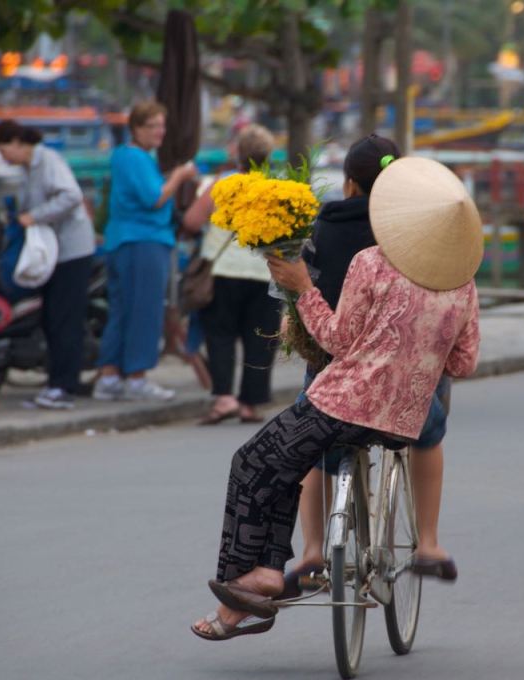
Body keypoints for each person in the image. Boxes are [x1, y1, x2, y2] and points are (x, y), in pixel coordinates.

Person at [191, 156, 482, 641]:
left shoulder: (372, 263)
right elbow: (463, 364)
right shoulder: (462, 283)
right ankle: (262, 574)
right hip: (403, 419)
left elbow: (335, 340)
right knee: (282, 465)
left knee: (251, 462)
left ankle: (249, 583)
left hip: (343, 404)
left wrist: (303, 287)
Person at [283, 135, 458, 600]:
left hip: (334, 364)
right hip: (402, 372)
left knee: (315, 445)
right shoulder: (420, 226)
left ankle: (313, 550)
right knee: (429, 430)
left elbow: (312, 301)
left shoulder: (325, 226)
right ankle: (429, 543)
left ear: (349, 186)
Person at [94, 100, 198, 402]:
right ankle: (137, 377)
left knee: (122, 310)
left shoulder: (126, 157)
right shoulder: (135, 157)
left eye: (161, 125)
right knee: (145, 310)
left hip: (123, 240)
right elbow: (154, 198)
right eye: (153, 125)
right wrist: (179, 176)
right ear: (136, 128)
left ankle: (110, 376)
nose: (160, 132)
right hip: (143, 241)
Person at [0, 119, 97, 410]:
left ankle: (64, 386)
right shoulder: (28, 169)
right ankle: (55, 383)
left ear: (16, 142)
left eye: (3, 150)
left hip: (71, 251)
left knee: (65, 319)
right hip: (53, 253)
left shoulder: (47, 160)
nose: (3, 158)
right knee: (50, 318)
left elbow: (72, 195)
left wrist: (35, 215)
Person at [182, 124, 282, 424]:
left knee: (220, 334)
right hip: (264, 273)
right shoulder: (277, 189)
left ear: (238, 153)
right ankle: (250, 403)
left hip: (223, 270)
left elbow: (191, 220)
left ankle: (224, 398)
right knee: (260, 339)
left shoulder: (222, 185)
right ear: (267, 156)